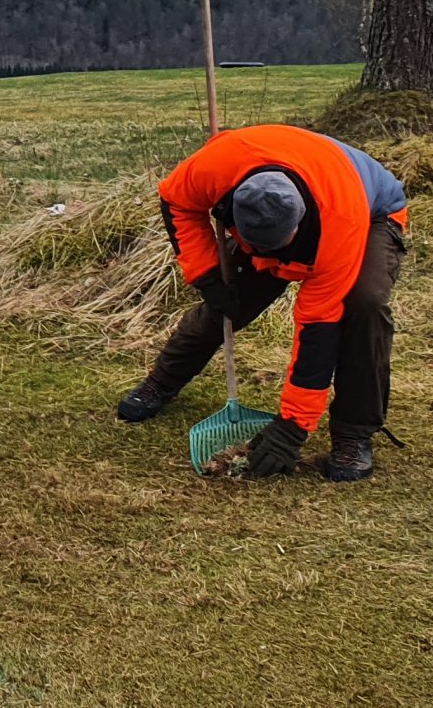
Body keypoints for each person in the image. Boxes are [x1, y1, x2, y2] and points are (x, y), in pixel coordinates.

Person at [114, 124, 408, 481]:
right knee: (229, 297)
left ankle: (354, 433)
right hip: (292, 188)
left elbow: (318, 330)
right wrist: (206, 274)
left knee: (363, 304)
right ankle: (162, 381)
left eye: (276, 248)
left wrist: (293, 427)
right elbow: (176, 202)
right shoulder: (214, 167)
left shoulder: (339, 222)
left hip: (371, 211)